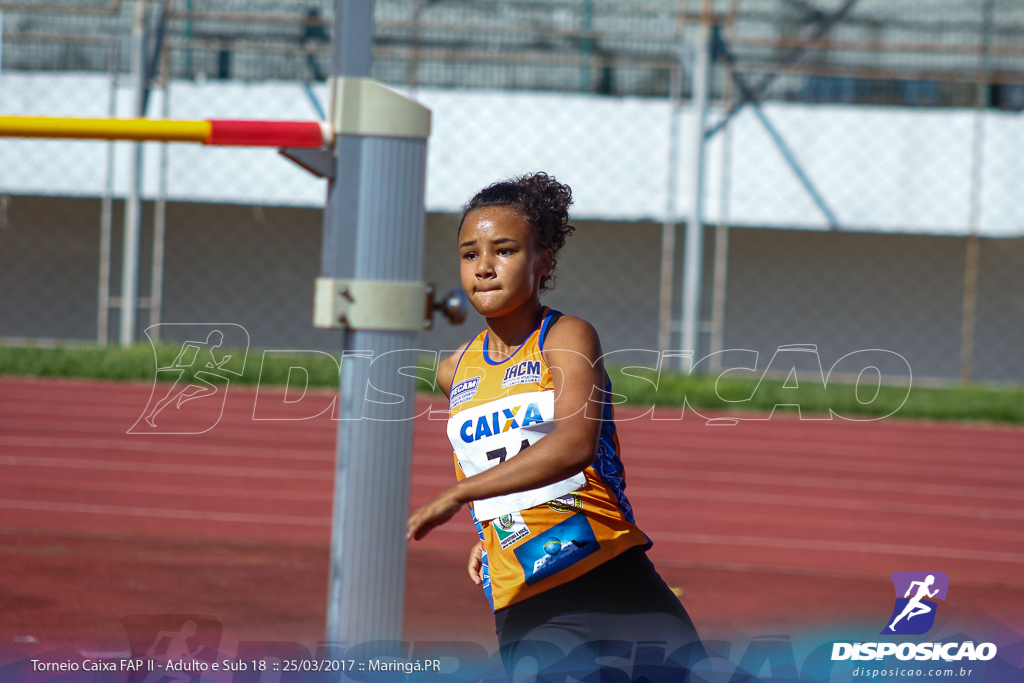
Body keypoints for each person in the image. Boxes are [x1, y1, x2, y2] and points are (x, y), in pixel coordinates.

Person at [407, 173, 703, 680]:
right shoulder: (453, 371)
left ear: (544, 260)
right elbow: (505, 455)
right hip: (525, 601)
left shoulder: (565, 337)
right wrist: (495, 525)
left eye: (503, 250)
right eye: (469, 254)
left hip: (612, 577)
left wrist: (457, 496)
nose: (483, 268)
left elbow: (571, 442)